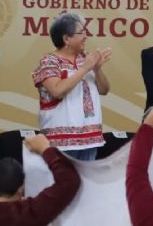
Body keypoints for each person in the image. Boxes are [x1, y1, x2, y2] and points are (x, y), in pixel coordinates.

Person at [32, 12, 111, 161]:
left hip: (90, 138)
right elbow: (57, 91)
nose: (86, 36)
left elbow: (104, 90)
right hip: (61, 141)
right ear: (66, 39)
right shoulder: (49, 61)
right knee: (63, 182)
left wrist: (97, 69)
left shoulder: (85, 59)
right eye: (81, 33)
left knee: (86, 183)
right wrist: (85, 69)